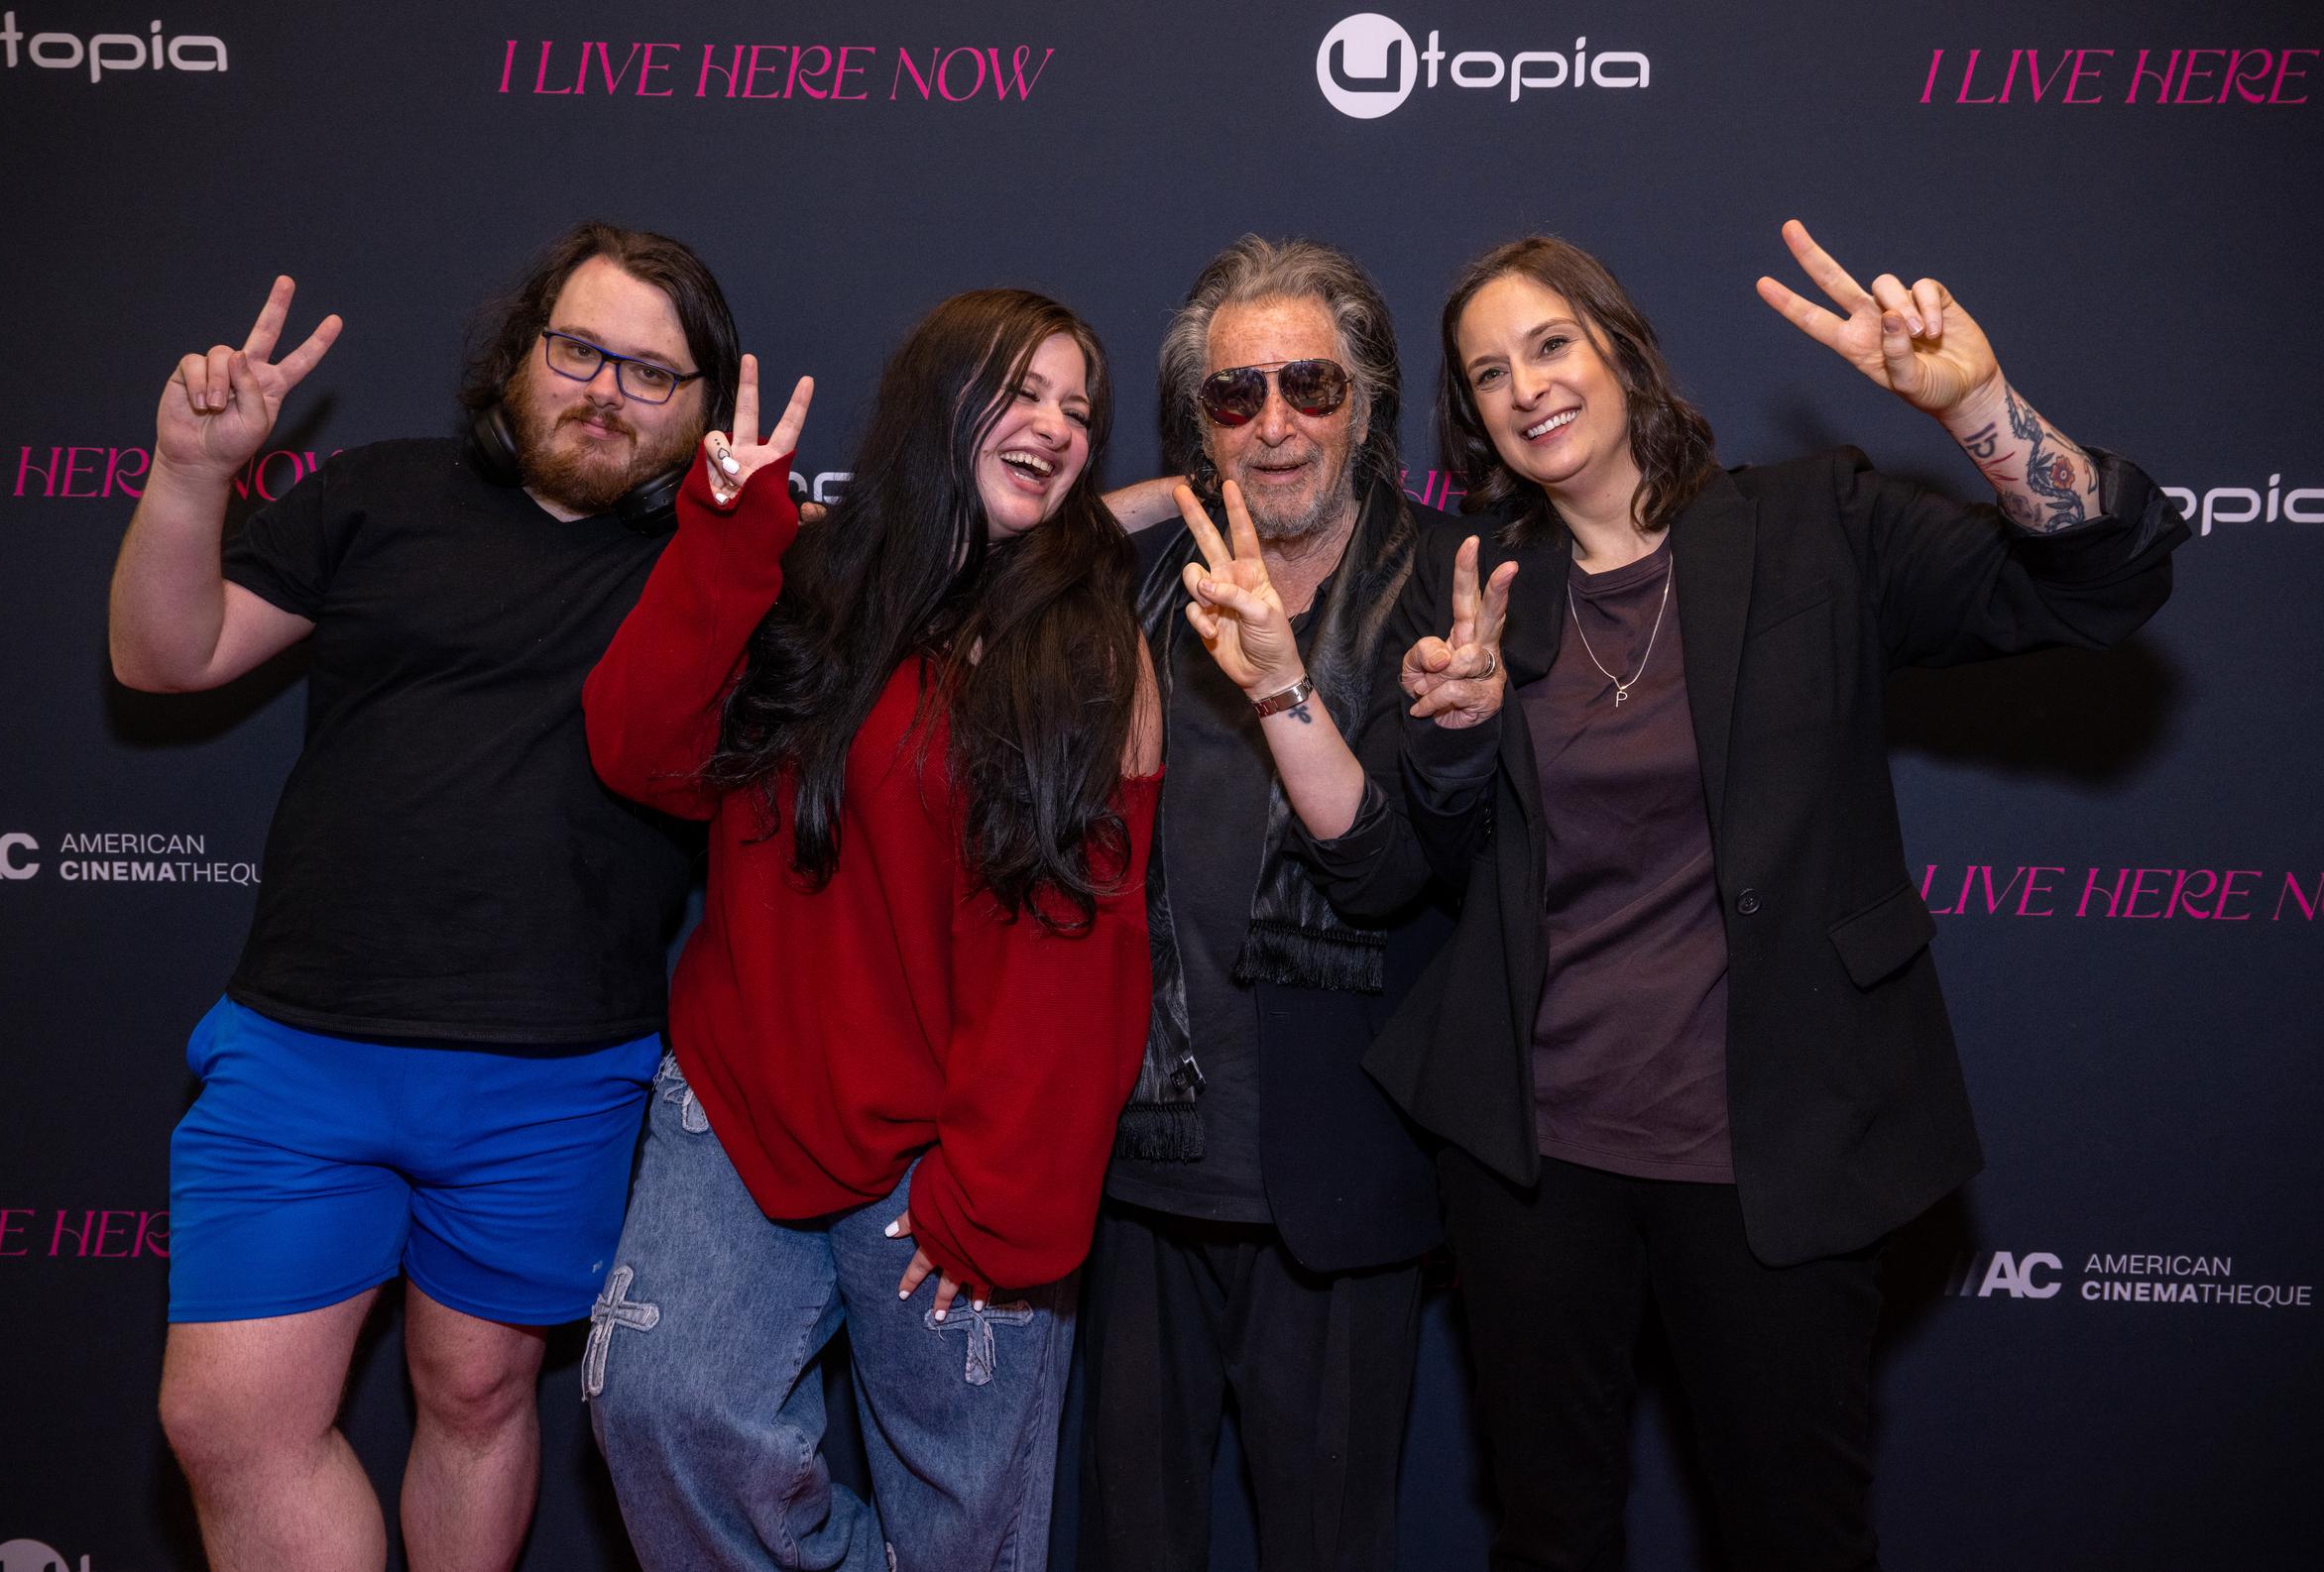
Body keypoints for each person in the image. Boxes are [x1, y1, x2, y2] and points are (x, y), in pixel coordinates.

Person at [1352, 223, 2185, 1570]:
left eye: (1552, 343)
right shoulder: (1484, 602)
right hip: (1533, 1160)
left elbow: (2102, 584)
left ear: (1621, 350)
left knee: (1793, 1531)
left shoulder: (1812, 527)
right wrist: (1451, 737)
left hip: (1772, 1151)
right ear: (1475, 420)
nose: (1529, 385)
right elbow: (1420, 875)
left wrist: (1977, 405)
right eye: (1491, 371)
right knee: (1549, 1531)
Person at [112, 221, 745, 1572]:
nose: (606, 390)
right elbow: (170, 656)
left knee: (475, 1390)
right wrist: (187, 477)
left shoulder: (722, 570)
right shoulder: (377, 493)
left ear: (704, 410)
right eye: (581, 349)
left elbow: (935, 596)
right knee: (226, 1418)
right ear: (521, 349)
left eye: (653, 372)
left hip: (556, 1066)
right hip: (304, 1044)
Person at [580, 289, 1164, 1572]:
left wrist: (999, 1202)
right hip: (743, 1105)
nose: (1055, 425)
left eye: (1079, 409)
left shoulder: (1091, 649)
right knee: (657, 1402)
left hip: (955, 1150)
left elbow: (1077, 956)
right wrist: (727, 537)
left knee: (966, 1531)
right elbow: (641, 750)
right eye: (1020, 391)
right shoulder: (805, 577)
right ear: (934, 404)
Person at [1076, 236, 1445, 1572]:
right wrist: (1149, 504)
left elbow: (1399, 869)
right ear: (1198, 423)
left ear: (1368, 401)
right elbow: (972, 567)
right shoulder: (1129, 584)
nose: (1276, 423)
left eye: (1310, 385)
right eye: (1236, 397)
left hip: (1345, 1174)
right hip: (1134, 1167)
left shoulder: (1443, 589)